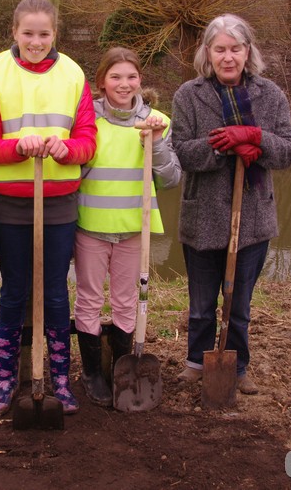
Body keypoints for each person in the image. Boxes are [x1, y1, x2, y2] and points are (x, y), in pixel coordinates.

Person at [0, 0, 97, 416]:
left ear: (55, 34)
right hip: (11, 202)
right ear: (14, 32)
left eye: (44, 34)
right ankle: (6, 379)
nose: (36, 41)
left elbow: (88, 140)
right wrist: (16, 148)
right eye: (28, 33)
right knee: (14, 290)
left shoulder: (74, 74)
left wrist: (67, 150)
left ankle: (60, 378)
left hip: (59, 201)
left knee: (56, 293)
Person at [171, 14, 291, 395]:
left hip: (254, 219)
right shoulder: (188, 96)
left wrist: (256, 138)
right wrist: (222, 146)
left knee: (239, 304)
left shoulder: (271, 96)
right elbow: (182, 151)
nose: (228, 57)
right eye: (220, 49)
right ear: (207, 53)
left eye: (235, 49)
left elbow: (289, 151)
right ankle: (197, 362)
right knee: (201, 304)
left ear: (248, 52)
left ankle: (237, 366)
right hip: (202, 218)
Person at [73, 47, 181, 406]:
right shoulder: (86, 119)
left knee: (125, 301)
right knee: (89, 299)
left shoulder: (157, 121)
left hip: (134, 228)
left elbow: (170, 179)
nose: (124, 84)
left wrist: (156, 142)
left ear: (140, 80)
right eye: (115, 76)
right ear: (101, 81)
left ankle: (122, 370)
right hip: (90, 226)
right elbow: (73, 170)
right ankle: (92, 374)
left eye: (131, 76)